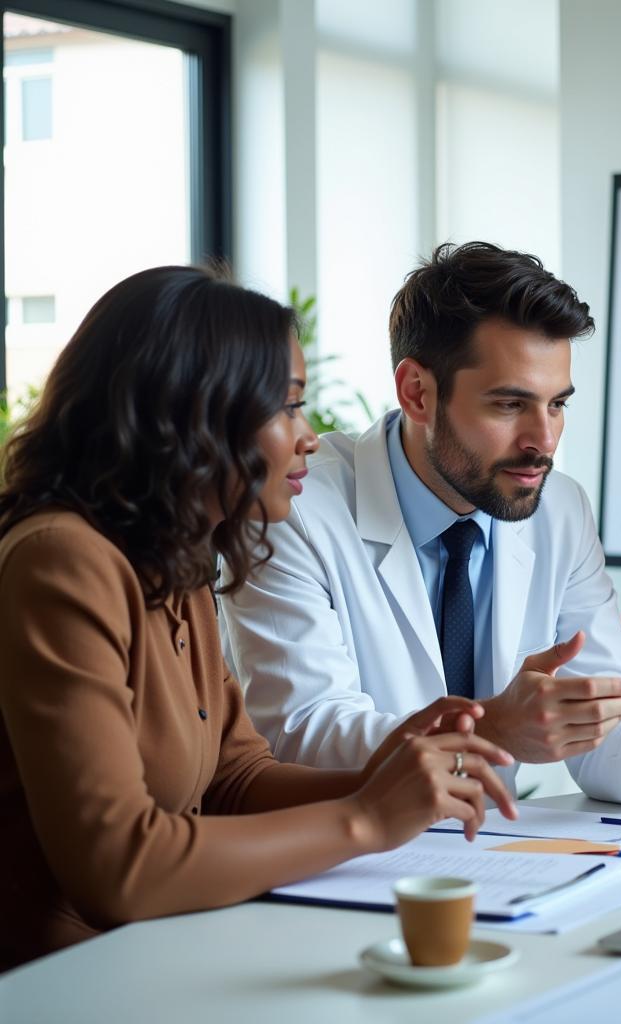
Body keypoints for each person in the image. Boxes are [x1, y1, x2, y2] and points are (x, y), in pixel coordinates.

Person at [0, 265, 518, 971]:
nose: (309, 436)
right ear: (188, 413)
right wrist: (365, 818)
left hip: (151, 954)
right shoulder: (62, 561)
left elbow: (235, 779)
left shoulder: (173, 559)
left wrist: (400, 771)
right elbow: (120, 866)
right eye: (288, 407)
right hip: (58, 978)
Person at [219, 242, 621, 805]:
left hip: (496, 857)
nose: (543, 441)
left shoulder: (560, 509)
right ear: (417, 393)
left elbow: (600, 718)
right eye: (509, 405)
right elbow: (300, 732)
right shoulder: (293, 509)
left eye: (557, 405)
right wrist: (490, 729)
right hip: (344, 859)